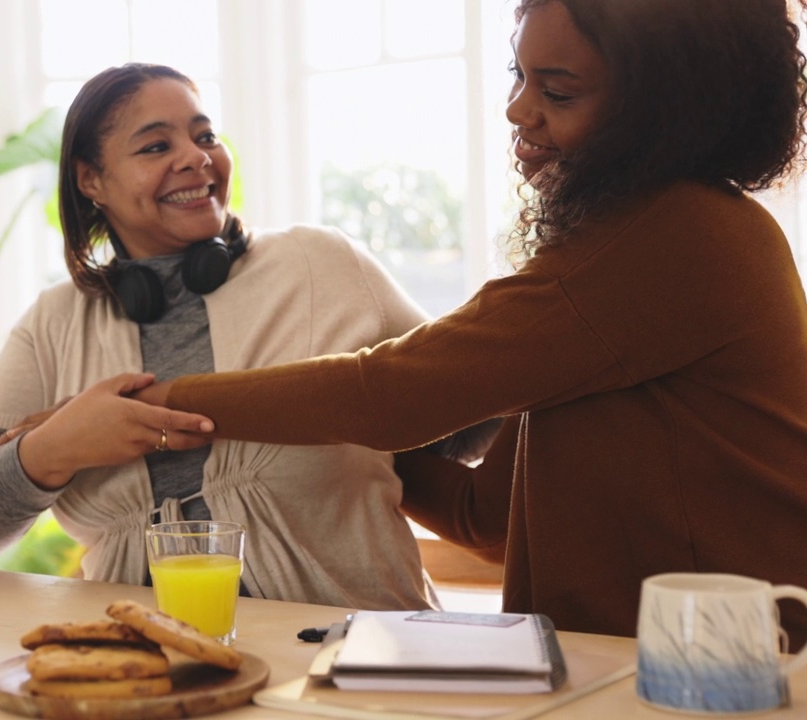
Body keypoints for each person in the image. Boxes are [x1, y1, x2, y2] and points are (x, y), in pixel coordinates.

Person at [137, 0, 807, 649]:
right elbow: (484, 517)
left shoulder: (676, 237)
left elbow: (389, 394)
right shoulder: (633, 246)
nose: (518, 110)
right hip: (630, 667)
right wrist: (325, 439)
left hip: (727, 670)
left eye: (560, 91)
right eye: (520, 75)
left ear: (665, 113)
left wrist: (160, 405)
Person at [0, 63, 491, 610]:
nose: (196, 158)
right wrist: (55, 448)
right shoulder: (55, 322)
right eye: (155, 146)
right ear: (91, 179)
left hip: (352, 655)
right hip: (143, 667)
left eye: (205, 136)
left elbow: (465, 425)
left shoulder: (322, 263)